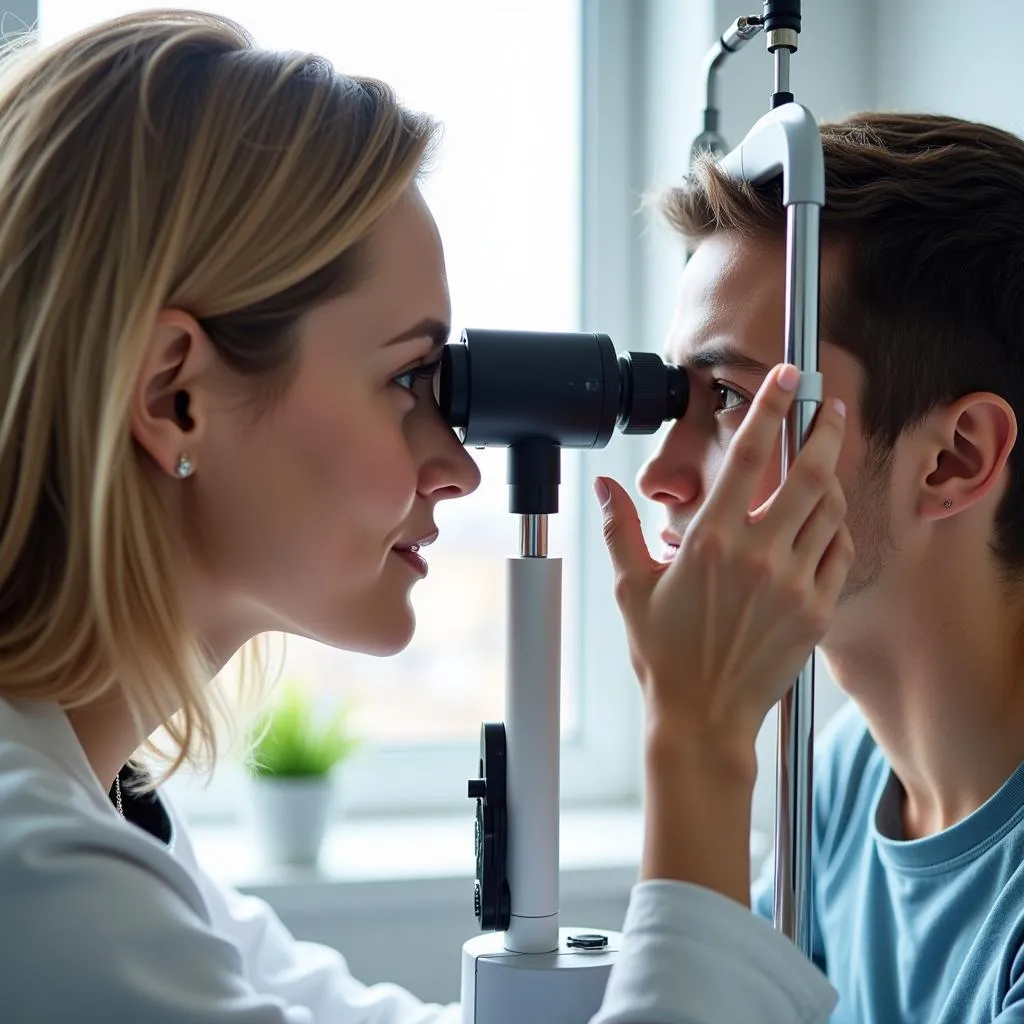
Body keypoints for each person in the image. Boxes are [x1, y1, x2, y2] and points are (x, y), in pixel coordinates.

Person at [0, 10, 844, 1024]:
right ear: (174, 394)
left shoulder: (112, 824)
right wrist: (700, 744)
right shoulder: (38, 880)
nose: (455, 467)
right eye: (407, 377)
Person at [631, 110, 1024, 1023]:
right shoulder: (840, 779)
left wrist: (698, 734)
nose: (660, 476)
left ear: (954, 460)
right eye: (677, 399)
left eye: (730, 400)